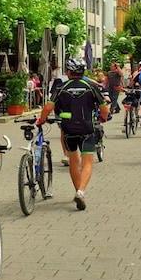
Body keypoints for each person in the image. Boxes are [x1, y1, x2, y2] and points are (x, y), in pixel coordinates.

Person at [35, 58, 109, 210]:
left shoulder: (61, 87)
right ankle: (81, 192)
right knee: (87, 162)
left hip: (68, 129)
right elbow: (104, 108)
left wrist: (41, 120)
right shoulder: (91, 86)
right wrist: (103, 118)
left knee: (74, 160)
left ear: (68, 72)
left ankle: (77, 191)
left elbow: (48, 107)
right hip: (87, 128)